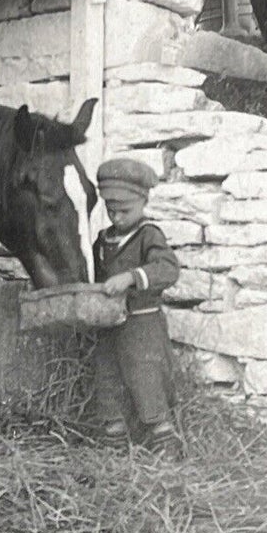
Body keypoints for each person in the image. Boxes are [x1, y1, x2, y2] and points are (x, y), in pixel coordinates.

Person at [91, 158, 183, 452]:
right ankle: (115, 440)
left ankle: (164, 440)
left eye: (125, 210)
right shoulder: (102, 240)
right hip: (108, 326)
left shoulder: (148, 235)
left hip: (142, 326)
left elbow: (168, 269)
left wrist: (131, 277)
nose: (116, 217)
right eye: (110, 210)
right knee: (107, 376)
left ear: (143, 201)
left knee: (146, 378)